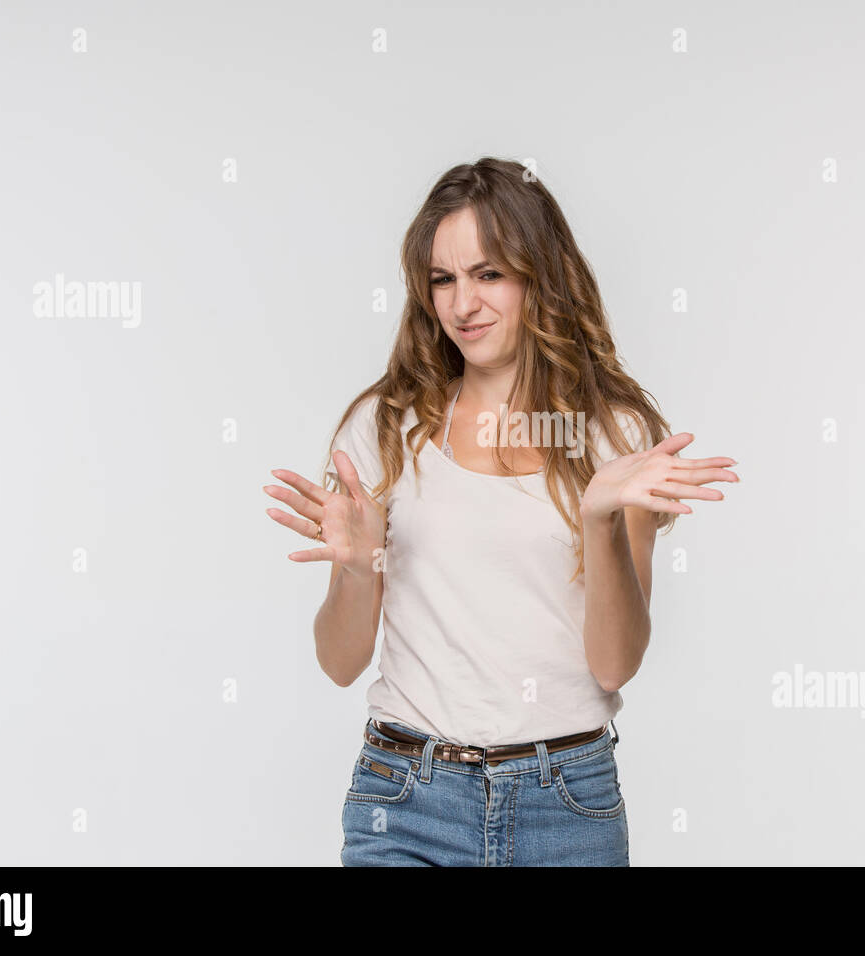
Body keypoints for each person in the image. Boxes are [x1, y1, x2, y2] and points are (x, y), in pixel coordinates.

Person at [264, 157, 737, 866]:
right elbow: (340, 664)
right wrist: (359, 568)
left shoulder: (614, 436)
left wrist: (600, 517)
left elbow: (613, 665)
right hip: (406, 797)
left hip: (566, 805)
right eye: (443, 280)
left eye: (489, 274)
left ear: (538, 277)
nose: (463, 305)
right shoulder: (385, 426)